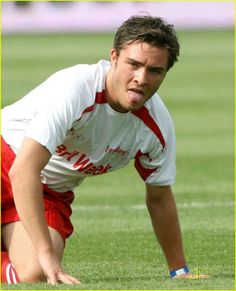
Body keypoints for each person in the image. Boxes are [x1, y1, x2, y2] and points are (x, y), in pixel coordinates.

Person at [1, 15, 207, 284]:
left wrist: (178, 270)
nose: (141, 78)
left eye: (155, 71)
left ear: (165, 73)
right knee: (45, 257)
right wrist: (46, 251)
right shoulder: (76, 89)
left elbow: (159, 197)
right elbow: (23, 170)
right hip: (7, 160)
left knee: (36, 273)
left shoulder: (156, 127)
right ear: (114, 57)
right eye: (133, 64)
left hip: (48, 192)